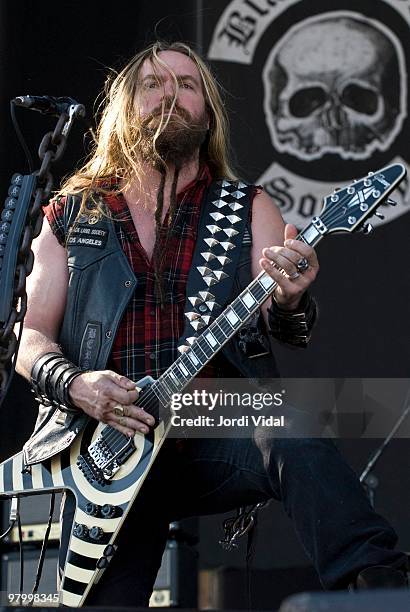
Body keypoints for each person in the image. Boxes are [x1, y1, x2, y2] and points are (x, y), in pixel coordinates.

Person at [16, 41, 407, 606]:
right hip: (100, 435)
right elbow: (27, 339)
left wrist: (293, 299)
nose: (169, 94)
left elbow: (284, 324)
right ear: (126, 105)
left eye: (187, 84)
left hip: (205, 413)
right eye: (152, 84)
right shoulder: (74, 213)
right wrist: (78, 385)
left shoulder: (248, 207)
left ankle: (379, 585)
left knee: (288, 427)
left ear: (208, 112)